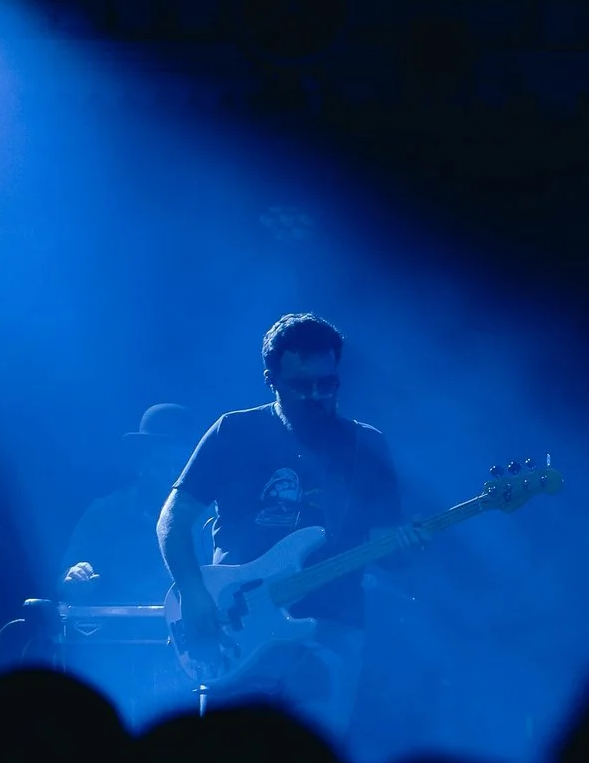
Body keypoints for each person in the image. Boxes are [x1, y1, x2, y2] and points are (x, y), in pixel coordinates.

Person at [159, 313, 427, 737]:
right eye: (301, 386)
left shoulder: (366, 445)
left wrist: (408, 547)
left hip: (331, 628)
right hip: (236, 624)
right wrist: (193, 594)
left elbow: (385, 548)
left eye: (328, 384)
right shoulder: (234, 431)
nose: (317, 396)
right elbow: (172, 520)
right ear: (271, 379)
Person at [60, 403, 209, 601]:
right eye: (162, 465)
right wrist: (75, 578)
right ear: (142, 464)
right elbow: (65, 578)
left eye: (181, 467)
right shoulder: (104, 513)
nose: (173, 475)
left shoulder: (214, 514)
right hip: (123, 629)